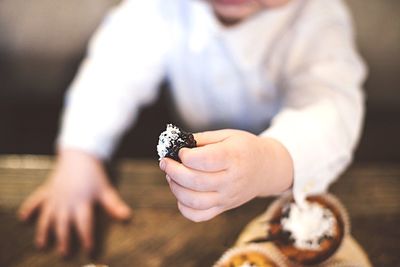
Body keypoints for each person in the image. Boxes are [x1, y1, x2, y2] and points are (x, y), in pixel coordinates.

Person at [18, 0, 366, 256]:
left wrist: (269, 163)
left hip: (286, 190)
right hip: (187, 179)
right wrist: (80, 152)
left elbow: (331, 112)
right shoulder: (162, 9)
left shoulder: (319, 19)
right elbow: (113, 70)